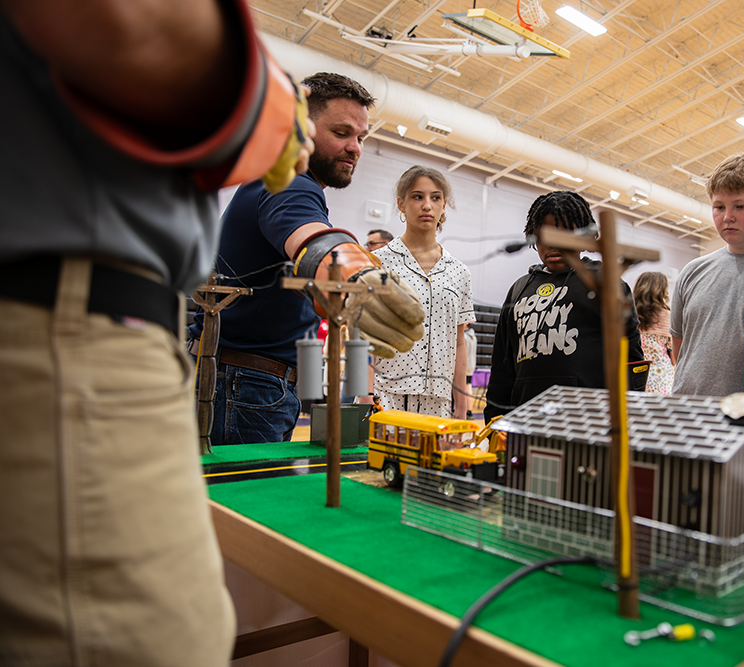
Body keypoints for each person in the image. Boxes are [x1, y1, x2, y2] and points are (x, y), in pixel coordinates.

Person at [0, 1, 316, 664]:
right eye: (341, 131)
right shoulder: (289, 191)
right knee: (162, 643)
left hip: (79, 324)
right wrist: (263, 99)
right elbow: (119, 16)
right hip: (68, 326)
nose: (351, 146)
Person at [189, 73, 424, 446]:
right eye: (341, 133)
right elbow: (312, 240)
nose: (355, 147)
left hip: (242, 381)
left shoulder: (280, 182)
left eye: (361, 137)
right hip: (245, 385)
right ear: (300, 129)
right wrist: (356, 275)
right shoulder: (289, 182)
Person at [484, 191, 647, 421]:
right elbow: (502, 365)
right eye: (546, 234)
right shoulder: (518, 289)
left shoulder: (605, 282)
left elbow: (631, 359)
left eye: (564, 233)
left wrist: (625, 419)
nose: (553, 243)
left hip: (588, 423)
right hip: (525, 421)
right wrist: (494, 419)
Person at [670, 152, 744, 396]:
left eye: (741, 206)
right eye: (719, 207)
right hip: (685, 408)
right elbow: (680, 347)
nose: (728, 217)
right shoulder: (693, 272)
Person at [372, 166, 475, 419]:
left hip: (439, 404)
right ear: (401, 204)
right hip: (385, 397)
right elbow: (362, 335)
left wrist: (462, 405)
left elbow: (459, 342)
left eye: (435, 197)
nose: (427, 205)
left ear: (443, 205)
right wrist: (365, 397)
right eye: (417, 196)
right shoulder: (377, 262)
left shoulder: (459, 272)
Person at [634, 271, 675, 394]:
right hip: (661, 375)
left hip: (635, 373)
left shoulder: (629, 314)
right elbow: (673, 353)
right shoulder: (667, 316)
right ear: (661, 291)